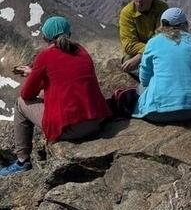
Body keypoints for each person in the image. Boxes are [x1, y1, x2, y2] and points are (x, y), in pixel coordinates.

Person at [0, 16, 111, 177]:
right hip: (95, 122)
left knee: (19, 103)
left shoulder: (45, 56)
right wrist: (37, 75)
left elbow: (26, 94)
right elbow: (65, 81)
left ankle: (22, 161)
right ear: (69, 34)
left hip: (71, 129)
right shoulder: (82, 51)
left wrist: (34, 76)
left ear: (46, 37)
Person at [133, 7, 191, 123]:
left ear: (162, 24)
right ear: (185, 25)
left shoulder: (153, 42)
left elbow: (144, 78)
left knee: (141, 87)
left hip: (157, 113)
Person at [119, 0, 169, 76]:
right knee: (128, 62)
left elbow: (163, 36)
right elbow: (129, 44)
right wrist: (146, 52)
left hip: (157, 50)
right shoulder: (127, 13)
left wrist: (141, 56)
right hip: (141, 51)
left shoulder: (162, 8)